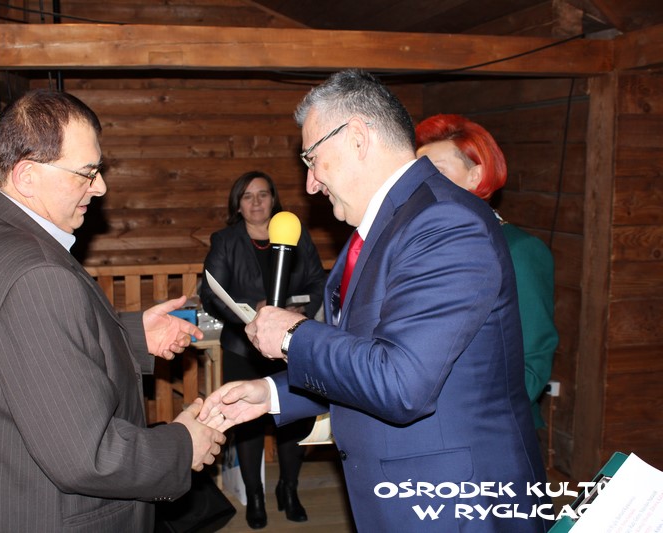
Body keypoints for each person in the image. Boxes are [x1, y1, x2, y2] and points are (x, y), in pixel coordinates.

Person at [200, 69, 551, 532]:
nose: (311, 183)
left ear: (358, 138)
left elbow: (401, 382)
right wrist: (272, 394)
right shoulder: (381, 226)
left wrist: (292, 335)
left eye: (312, 159)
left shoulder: (444, 222)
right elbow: (361, 360)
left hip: (452, 502)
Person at [0, 89, 226, 532]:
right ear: (26, 176)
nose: (100, 187)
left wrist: (132, 335)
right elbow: (88, 455)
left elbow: (13, 351)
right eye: (86, 173)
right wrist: (182, 446)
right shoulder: (35, 276)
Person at [415, 113, 559, 429]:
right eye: (417, 172)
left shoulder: (519, 250)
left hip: (493, 433)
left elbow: (532, 363)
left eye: (437, 171)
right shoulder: (422, 246)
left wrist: (471, 425)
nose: (421, 183)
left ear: (476, 175)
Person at [199, 170, 326, 528]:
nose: (256, 202)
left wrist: (301, 309)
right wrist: (251, 312)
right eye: (247, 196)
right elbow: (211, 294)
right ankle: (255, 496)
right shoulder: (225, 241)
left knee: (293, 419)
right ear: (237, 205)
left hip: (291, 343)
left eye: (263, 194)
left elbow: (318, 281)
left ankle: (289, 489)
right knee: (249, 424)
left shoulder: (295, 234)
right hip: (244, 346)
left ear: (274, 199)